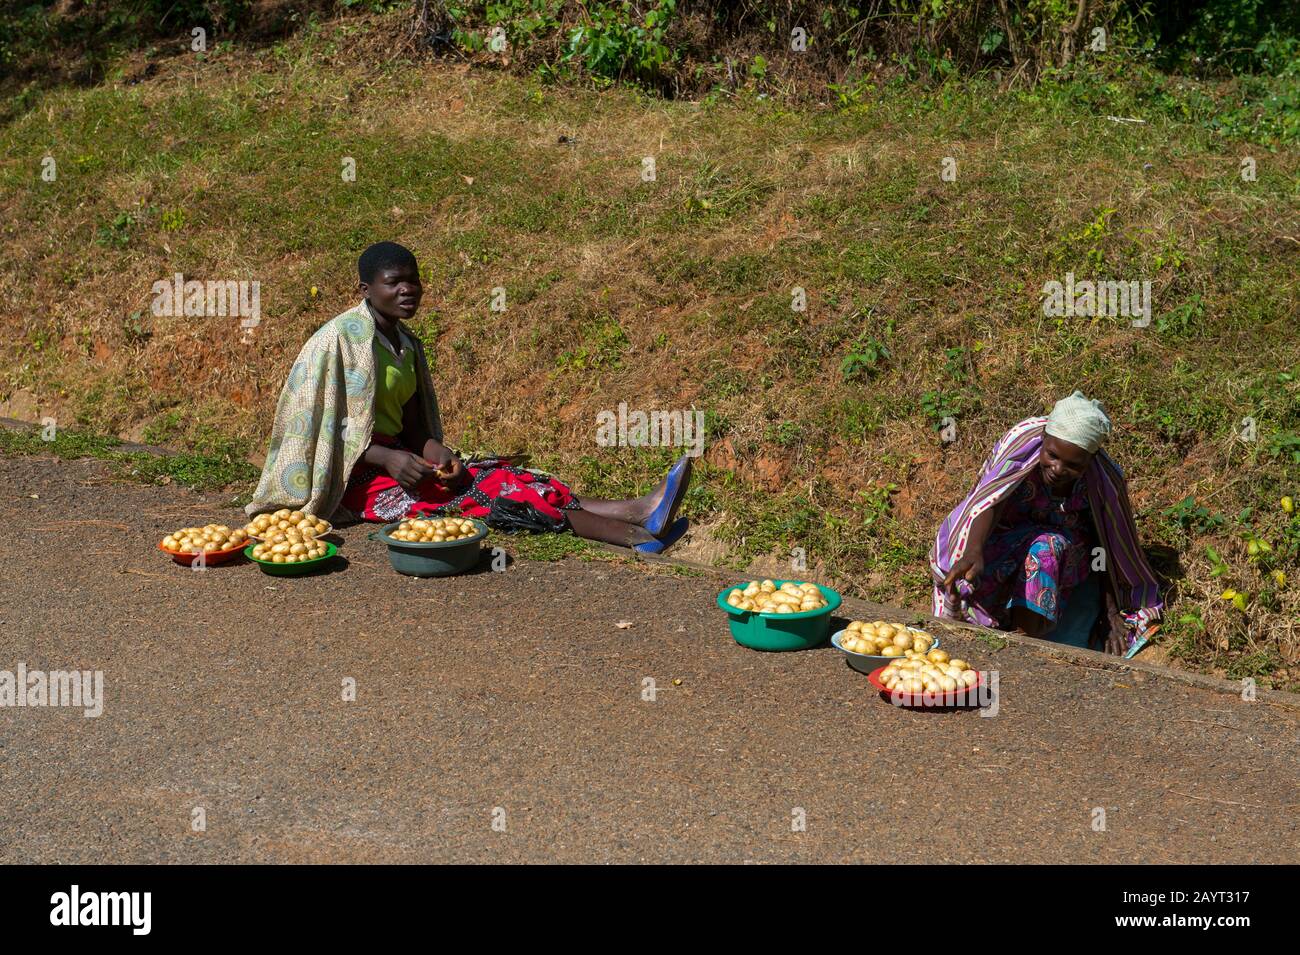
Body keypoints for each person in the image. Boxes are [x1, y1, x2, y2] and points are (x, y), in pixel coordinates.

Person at [246, 242, 691, 552]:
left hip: (399, 463)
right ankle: (634, 537)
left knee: (497, 475)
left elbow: (417, 429)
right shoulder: (337, 342)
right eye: (393, 282)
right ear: (365, 290)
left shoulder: (405, 344)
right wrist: (384, 458)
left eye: (413, 281)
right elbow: (322, 433)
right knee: (495, 496)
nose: (407, 290)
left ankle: (635, 512)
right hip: (352, 482)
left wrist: (442, 456)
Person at [929, 391, 1162, 655]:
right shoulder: (1022, 446)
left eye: (1073, 465)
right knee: (969, 578)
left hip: (1062, 553)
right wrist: (974, 550)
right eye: (1052, 455)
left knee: (1044, 548)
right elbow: (992, 500)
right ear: (1043, 441)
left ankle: (1023, 646)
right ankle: (991, 624)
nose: (1059, 469)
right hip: (1006, 537)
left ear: (1091, 460)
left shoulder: (1103, 483)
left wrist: (1108, 609)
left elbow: (1105, 544)